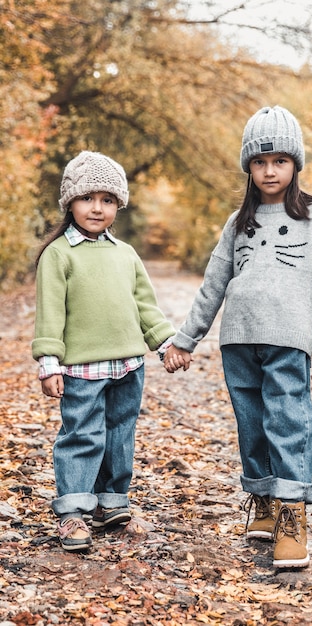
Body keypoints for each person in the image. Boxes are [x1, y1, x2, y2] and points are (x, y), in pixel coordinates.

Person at [163, 106, 312, 569]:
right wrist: (186, 338)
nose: (269, 171)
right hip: (238, 339)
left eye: (280, 161)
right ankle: (263, 500)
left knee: (289, 421)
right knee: (251, 423)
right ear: (248, 166)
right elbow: (213, 283)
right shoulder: (236, 222)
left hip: (290, 338)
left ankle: (292, 516)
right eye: (260, 162)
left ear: (295, 165)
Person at [32, 151, 175, 552]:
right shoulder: (59, 254)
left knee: (120, 434)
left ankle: (111, 501)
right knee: (82, 435)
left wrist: (165, 343)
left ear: (119, 206)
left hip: (129, 364)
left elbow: (145, 306)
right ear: (70, 202)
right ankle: (74, 510)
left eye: (108, 200)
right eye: (88, 198)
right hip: (80, 369)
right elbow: (50, 314)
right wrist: (49, 363)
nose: (98, 208)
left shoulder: (125, 253)